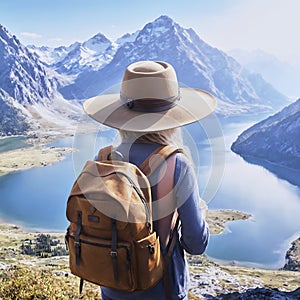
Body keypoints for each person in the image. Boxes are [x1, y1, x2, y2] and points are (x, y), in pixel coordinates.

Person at [83, 60, 216, 300]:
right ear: (171, 118)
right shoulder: (177, 165)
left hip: (112, 286)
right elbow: (195, 245)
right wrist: (201, 213)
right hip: (162, 290)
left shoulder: (102, 158)